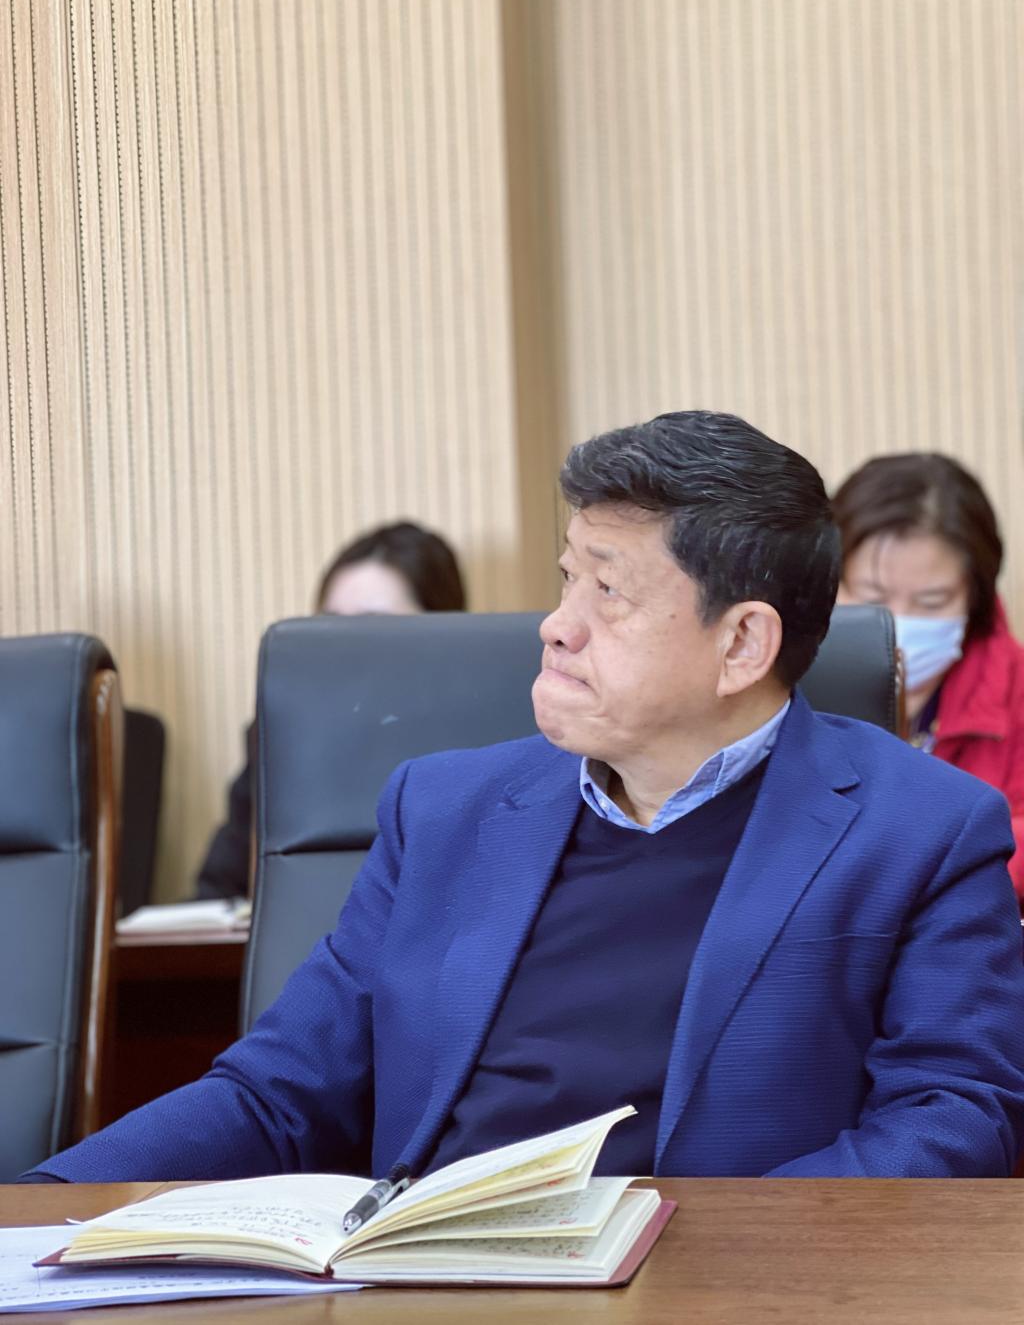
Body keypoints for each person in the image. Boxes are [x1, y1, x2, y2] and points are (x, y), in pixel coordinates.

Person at [24, 412, 1024, 1183]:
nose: (556, 626)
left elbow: (955, 1114)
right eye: (565, 580)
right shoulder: (442, 810)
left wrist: (705, 1258)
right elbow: (276, 1092)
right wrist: (38, 1209)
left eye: (607, 593)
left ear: (742, 644)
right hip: (427, 1285)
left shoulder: (921, 831)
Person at [194, 522, 466, 900]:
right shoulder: (284, 736)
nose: (346, 648)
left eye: (373, 627)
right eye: (331, 626)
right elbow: (219, 888)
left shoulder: (474, 745)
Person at [833, 453, 1024, 899]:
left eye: (933, 602)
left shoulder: (1016, 689)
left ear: (975, 597)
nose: (899, 623)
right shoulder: (774, 686)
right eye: (872, 597)